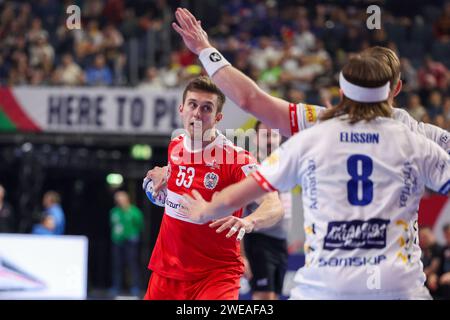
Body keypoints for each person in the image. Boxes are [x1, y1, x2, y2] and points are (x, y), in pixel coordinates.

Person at [180, 55, 450, 299]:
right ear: (394, 91)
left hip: (325, 288)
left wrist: (207, 209)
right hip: (398, 288)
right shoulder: (416, 141)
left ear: (342, 92)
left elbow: (247, 188)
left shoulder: (313, 137)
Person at [171, 8, 450, 153]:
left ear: (344, 89)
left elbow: (250, 100)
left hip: (333, 261)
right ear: (397, 88)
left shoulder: (323, 122)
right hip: (399, 263)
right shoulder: (423, 136)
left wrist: (205, 50)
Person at [143, 76, 284, 300]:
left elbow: (273, 204)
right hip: (167, 271)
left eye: (206, 108)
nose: (198, 113)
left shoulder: (236, 159)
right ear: (182, 109)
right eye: (193, 105)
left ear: (218, 117)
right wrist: (164, 175)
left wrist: (249, 222)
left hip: (215, 277)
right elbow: (177, 186)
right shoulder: (176, 145)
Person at [241, 121, 292, 300]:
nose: (270, 140)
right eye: (265, 135)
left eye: (274, 135)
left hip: (281, 243)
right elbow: (237, 212)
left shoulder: (285, 165)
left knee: (274, 298)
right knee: (264, 299)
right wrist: (241, 255)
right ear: (256, 139)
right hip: (258, 242)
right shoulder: (250, 169)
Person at [109, 190, 144, 298]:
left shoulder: (134, 211)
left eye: (121, 198)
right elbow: (112, 224)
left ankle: (135, 287)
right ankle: (116, 286)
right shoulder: (114, 211)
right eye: (117, 199)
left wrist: (133, 235)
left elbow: (140, 225)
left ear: (126, 199)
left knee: (132, 264)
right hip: (118, 241)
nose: (119, 201)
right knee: (117, 264)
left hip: (130, 241)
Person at [419, 226, 443, 298]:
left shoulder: (438, 249)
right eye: (421, 237)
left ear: (431, 235)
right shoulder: (421, 251)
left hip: (436, 281)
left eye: (425, 236)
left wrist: (419, 275)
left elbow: (433, 268)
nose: (423, 239)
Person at [438, 223, 450, 299]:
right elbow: (440, 267)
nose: (447, 236)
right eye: (446, 234)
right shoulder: (444, 249)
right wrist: (434, 276)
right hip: (444, 280)